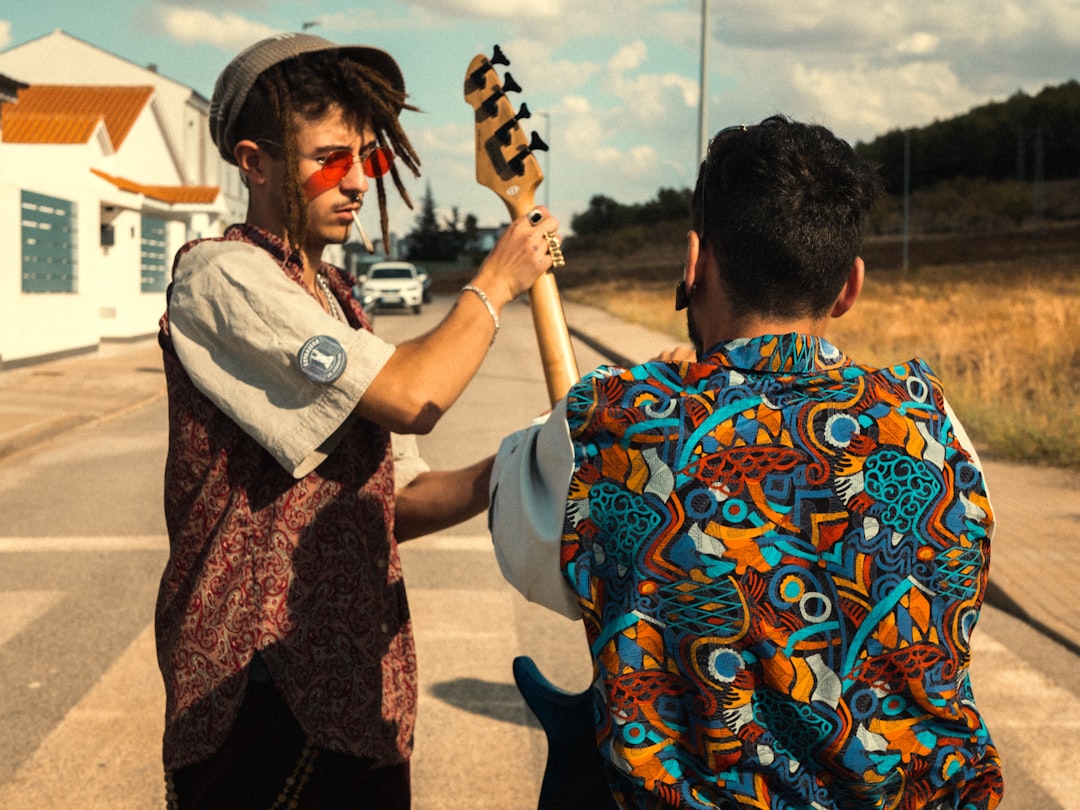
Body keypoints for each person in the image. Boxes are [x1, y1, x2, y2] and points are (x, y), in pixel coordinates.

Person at [489, 116, 1003, 809]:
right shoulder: (934, 423)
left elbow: (532, 557)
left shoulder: (613, 423)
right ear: (850, 286)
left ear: (694, 263)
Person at [155, 33, 561, 809]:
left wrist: (528, 454)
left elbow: (397, 500)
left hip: (360, 688)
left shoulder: (340, 301)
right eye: (332, 158)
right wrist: (496, 282)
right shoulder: (221, 277)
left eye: (368, 159)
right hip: (256, 690)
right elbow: (414, 394)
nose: (358, 182)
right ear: (256, 162)